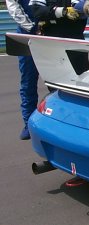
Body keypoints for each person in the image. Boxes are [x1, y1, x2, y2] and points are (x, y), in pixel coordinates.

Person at [6, 0, 40, 140]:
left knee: (56, 82)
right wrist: (32, 28)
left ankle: (59, 122)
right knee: (28, 82)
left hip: (50, 33)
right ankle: (29, 124)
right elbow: (14, 8)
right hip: (28, 36)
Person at [29, 0, 89, 75]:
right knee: (56, 78)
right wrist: (62, 11)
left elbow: (79, 5)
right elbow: (37, 10)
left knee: (82, 77)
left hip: (76, 41)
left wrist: (87, 7)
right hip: (52, 42)